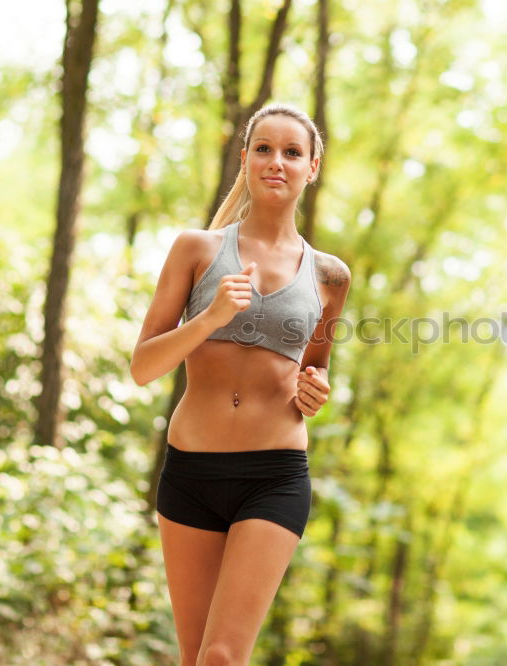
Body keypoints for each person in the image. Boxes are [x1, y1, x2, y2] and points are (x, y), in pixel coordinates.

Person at [130, 102, 351, 666]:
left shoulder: (328, 275)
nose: (276, 162)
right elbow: (143, 366)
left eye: (292, 152)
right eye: (264, 149)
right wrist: (207, 320)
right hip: (191, 473)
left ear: (312, 167)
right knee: (194, 659)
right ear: (247, 159)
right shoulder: (196, 250)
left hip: (273, 476)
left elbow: (316, 365)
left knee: (222, 657)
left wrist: (317, 389)